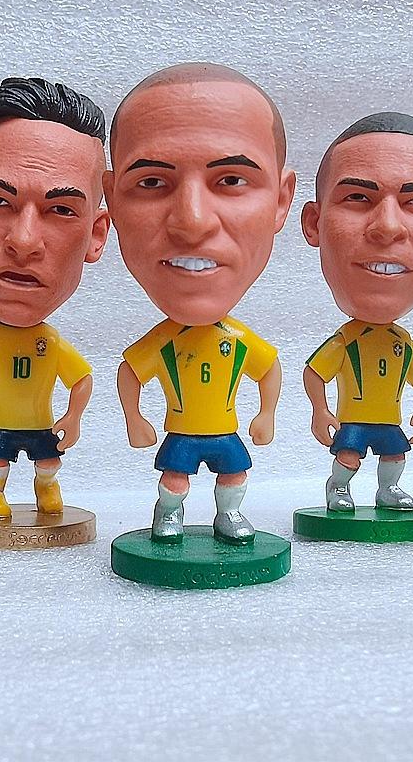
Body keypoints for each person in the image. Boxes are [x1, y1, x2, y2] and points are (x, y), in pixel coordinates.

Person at [104, 63, 295, 545]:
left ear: (282, 200)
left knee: (234, 475)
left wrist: (266, 414)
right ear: (111, 200)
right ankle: (168, 516)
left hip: (225, 429)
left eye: (231, 180)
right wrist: (135, 418)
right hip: (182, 431)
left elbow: (268, 368)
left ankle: (228, 516)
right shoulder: (163, 342)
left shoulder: (239, 340)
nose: (191, 222)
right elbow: (130, 372)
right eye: (151, 182)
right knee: (175, 479)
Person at [0, 77, 110, 518]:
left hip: (41, 428)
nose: (23, 242)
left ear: (96, 234)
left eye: (61, 210)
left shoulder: (52, 345)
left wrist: (72, 417)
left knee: (47, 464)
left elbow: (81, 379)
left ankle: (45, 492)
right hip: (0, 427)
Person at [302, 112, 413, 511]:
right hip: (353, 419)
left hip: (389, 419)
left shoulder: (401, 343)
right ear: (314, 223)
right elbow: (315, 372)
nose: (387, 227)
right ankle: (339, 488)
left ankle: (388, 489)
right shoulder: (345, 342)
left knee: (395, 455)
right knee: (348, 456)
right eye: (358, 197)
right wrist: (321, 410)